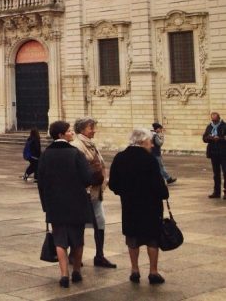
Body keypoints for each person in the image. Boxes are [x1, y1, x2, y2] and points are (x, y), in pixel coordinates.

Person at [37, 120, 95, 288]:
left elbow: (41, 182)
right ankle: (76, 271)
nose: (72, 133)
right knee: (78, 238)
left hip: (55, 204)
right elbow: (87, 178)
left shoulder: (46, 155)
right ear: (61, 135)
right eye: (69, 131)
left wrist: (45, 205)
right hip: (77, 202)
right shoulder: (75, 153)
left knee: (60, 240)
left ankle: (64, 274)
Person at [108, 128, 169, 285]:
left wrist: (124, 192)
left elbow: (113, 183)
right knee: (152, 238)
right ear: (142, 142)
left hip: (130, 204)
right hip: (151, 205)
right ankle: (153, 272)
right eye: (149, 142)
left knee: (132, 237)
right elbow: (158, 184)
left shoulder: (120, 157)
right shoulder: (149, 160)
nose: (152, 146)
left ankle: (134, 270)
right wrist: (164, 194)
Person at [71, 117, 117, 269]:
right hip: (85, 192)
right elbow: (80, 168)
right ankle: (74, 255)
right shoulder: (77, 145)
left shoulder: (90, 144)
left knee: (100, 221)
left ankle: (99, 255)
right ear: (82, 130)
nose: (94, 130)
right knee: (79, 223)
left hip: (97, 192)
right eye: (91, 127)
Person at [203, 111, 226, 199]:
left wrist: (219, 138)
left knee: (225, 172)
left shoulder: (224, 126)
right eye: (213, 120)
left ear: (219, 118)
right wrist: (210, 138)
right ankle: (216, 192)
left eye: (216, 120)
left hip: (224, 152)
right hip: (213, 153)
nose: (214, 122)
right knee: (216, 174)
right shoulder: (209, 127)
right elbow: (204, 138)